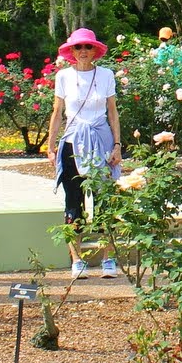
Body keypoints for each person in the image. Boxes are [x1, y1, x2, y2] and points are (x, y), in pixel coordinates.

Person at [45, 28, 124, 279]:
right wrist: (50, 145)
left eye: (87, 47)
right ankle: (76, 259)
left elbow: (112, 111)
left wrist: (118, 145)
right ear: (71, 51)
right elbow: (57, 112)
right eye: (78, 47)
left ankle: (108, 257)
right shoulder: (64, 77)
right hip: (73, 139)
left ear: (95, 51)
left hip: (101, 138)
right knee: (73, 199)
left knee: (105, 200)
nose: (83, 52)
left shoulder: (106, 75)